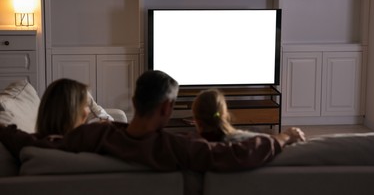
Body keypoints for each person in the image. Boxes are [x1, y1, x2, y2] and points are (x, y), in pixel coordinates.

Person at [0, 70, 305, 172]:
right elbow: (236, 154)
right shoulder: (177, 149)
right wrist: (280, 138)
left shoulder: (93, 138)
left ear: (133, 103)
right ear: (169, 109)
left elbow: (30, 140)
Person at [191, 88, 300, 143]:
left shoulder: (188, 147)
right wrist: (287, 135)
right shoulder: (251, 144)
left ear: (196, 119)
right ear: (224, 115)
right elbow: (271, 144)